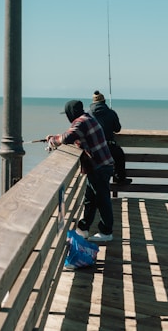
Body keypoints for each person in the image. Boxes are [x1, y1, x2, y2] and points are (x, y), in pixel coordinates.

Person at [46, 99, 114, 242]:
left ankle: (106, 232)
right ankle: (83, 229)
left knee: (102, 199)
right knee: (90, 199)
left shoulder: (81, 122)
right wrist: (56, 137)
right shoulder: (87, 119)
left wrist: (52, 140)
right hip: (99, 166)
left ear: (71, 113)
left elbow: (67, 137)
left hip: (100, 167)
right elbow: (72, 135)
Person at [89, 90, 132, 185]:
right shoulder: (111, 113)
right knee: (119, 155)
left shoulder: (89, 115)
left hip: (94, 149)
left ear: (93, 103)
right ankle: (119, 178)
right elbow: (117, 129)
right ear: (104, 102)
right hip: (109, 147)